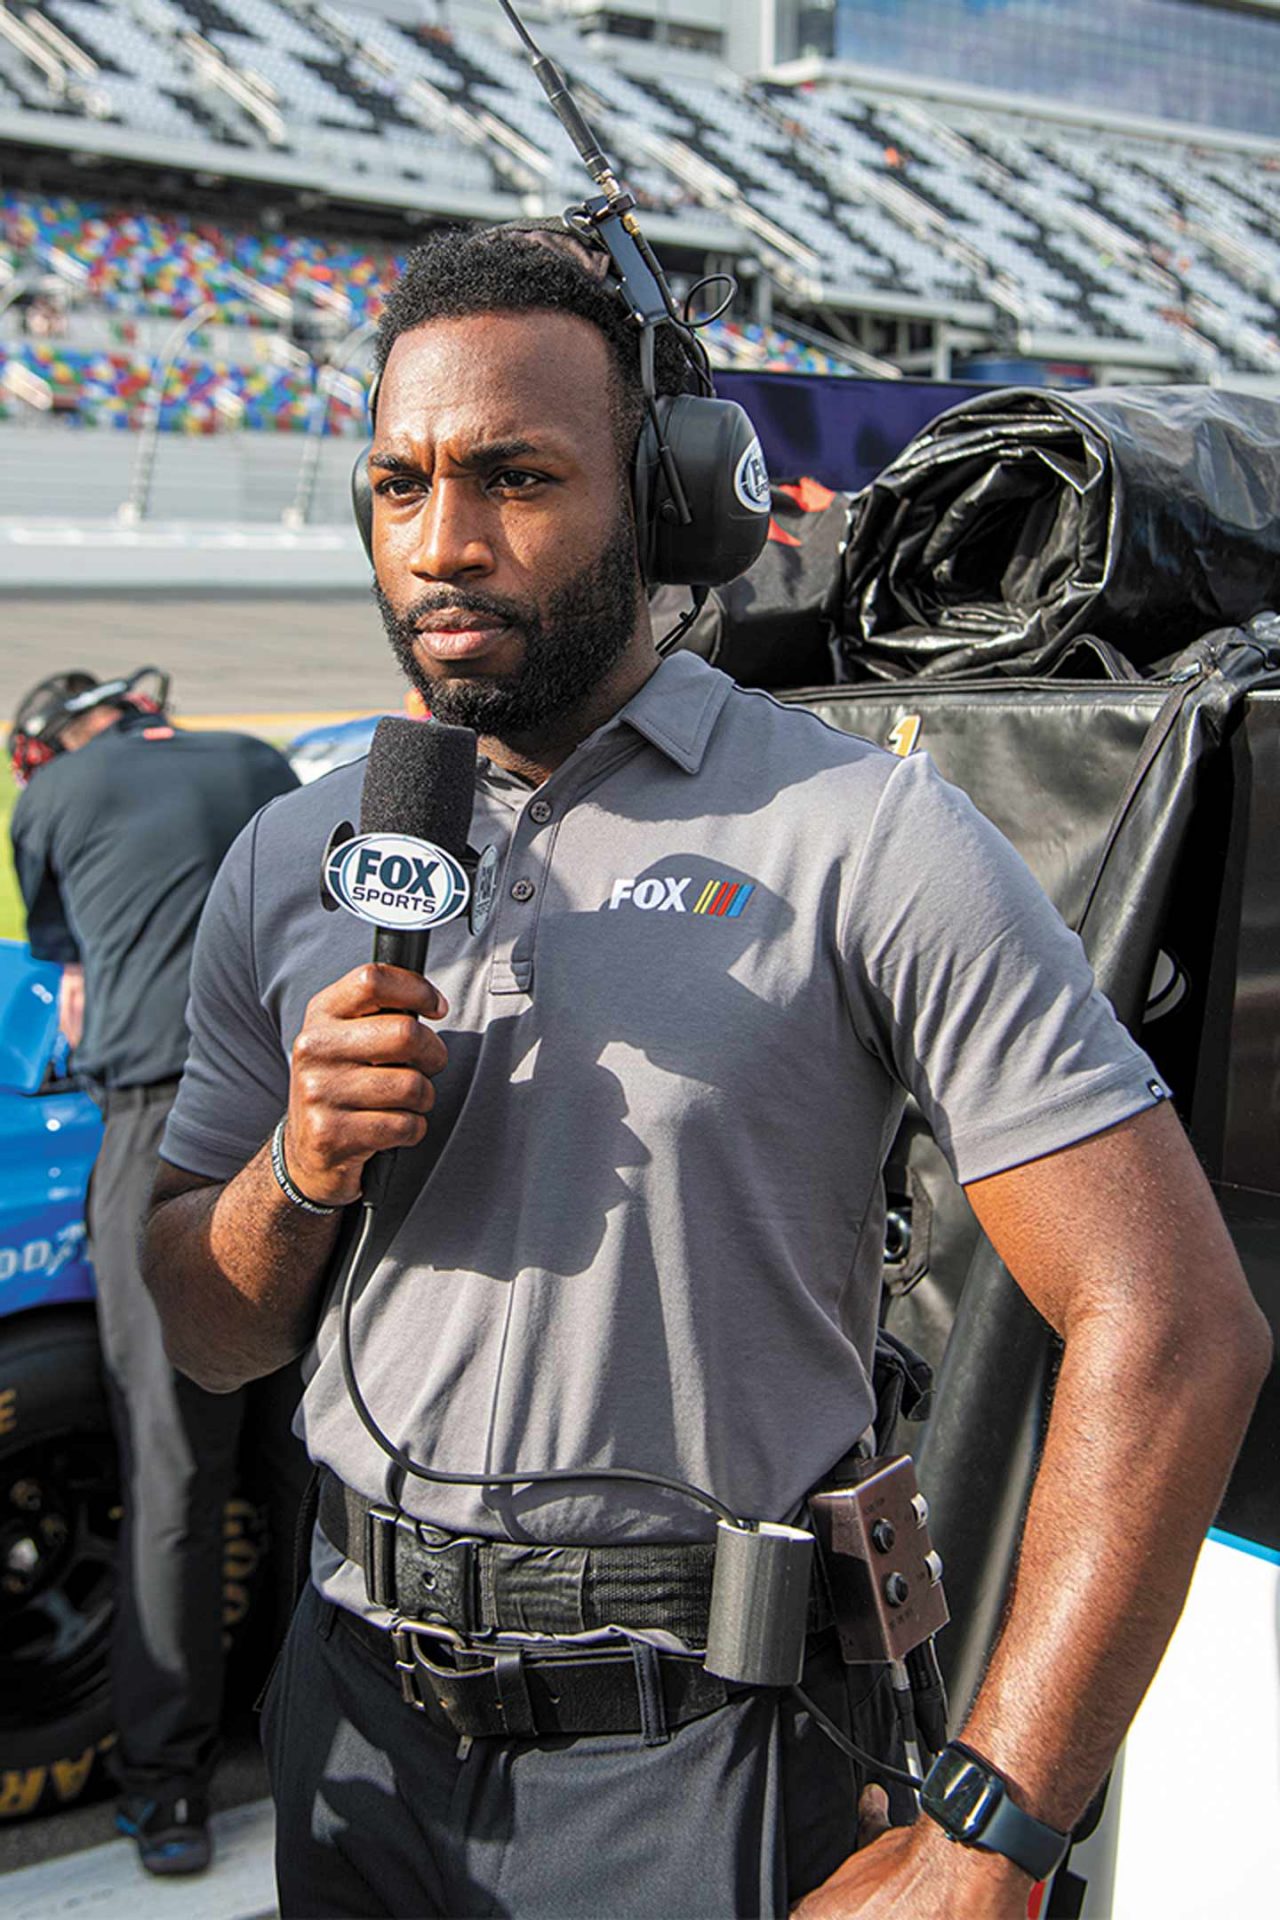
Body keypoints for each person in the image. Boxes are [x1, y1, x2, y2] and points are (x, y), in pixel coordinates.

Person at [142, 229, 1270, 1919]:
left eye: (515, 476)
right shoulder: (294, 852)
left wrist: (996, 1831)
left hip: (703, 1754)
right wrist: (294, 1174)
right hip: (356, 1718)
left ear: (670, 500)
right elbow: (205, 1326)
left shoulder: (863, 834)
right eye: (401, 483)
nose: (444, 544)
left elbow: (1176, 1322)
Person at [9, 669, 305, 1876]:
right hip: (302, 1126)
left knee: (175, 1471)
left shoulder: (53, 796)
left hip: (157, 1128)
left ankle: (167, 1790)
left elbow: (62, 972)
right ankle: (311, 1740)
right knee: (307, 1452)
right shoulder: (251, 758)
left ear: (51, 745)